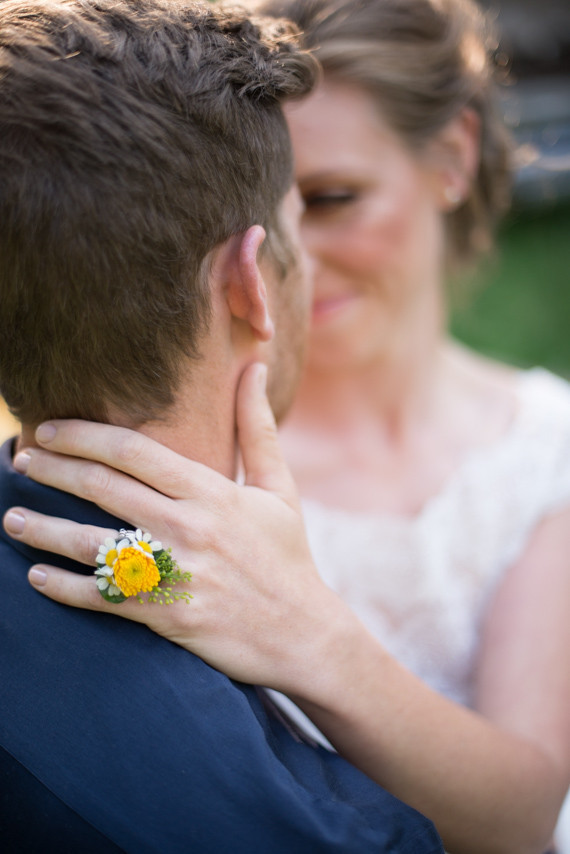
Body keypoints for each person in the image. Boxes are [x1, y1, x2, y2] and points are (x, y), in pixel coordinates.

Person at [3, 0, 569, 851]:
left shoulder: (538, 453)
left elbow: (524, 817)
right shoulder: (174, 423)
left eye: (333, 198)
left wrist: (311, 635)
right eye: (276, 203)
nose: (290, 251)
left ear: (451, 157)